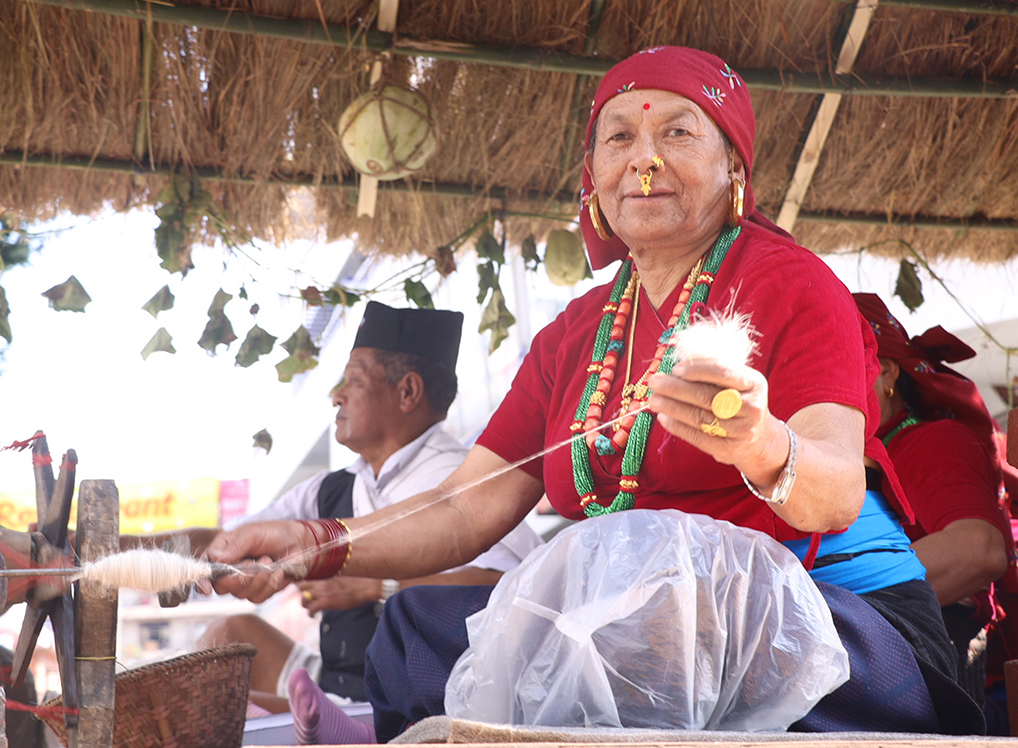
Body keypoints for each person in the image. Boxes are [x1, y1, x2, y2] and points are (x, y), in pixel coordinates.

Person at [206, 46, 985, 740]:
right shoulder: (574, 333)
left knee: (648, 632)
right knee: (419, 624)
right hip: (633, 629)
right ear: (593, 178)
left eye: (678, 133)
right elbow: (462, 507)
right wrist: (320, 542)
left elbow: (837, 493)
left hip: (822, 629)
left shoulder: (792, 285)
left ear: (734, 169)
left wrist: (761, 443)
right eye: (619, 138)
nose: (643, 162)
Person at [199, 301, 541, 717]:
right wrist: (142, 551)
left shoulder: (461, 478)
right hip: (337, 679)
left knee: (220, 707)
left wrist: (378, 587)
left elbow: (509, 588)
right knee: (228, 638)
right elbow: (234, 537)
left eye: (353, 381)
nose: (336, 396)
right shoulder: (336, 486)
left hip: (431, 691)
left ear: (407, 392)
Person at [854, 293, 1013, 709]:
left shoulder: (927, 441)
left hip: (945, 681)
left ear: (885, 373)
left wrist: (840, 606)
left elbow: (979, 549)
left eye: (836, 366)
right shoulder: (873, 449)